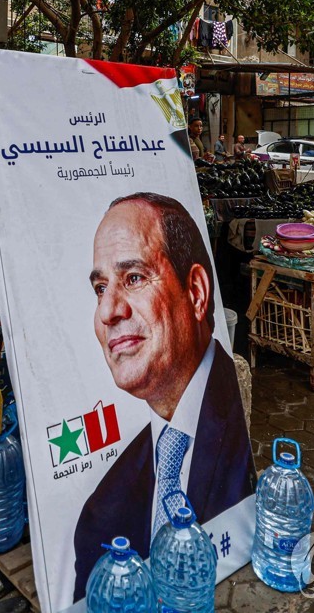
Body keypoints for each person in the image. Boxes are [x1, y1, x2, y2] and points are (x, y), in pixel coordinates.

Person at [73, 192, 256, 601]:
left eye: (134, 278)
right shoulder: (101, 514)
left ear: (195, 291)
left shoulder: (236, 434)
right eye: (100, 288)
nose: (108, 311)